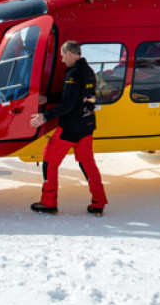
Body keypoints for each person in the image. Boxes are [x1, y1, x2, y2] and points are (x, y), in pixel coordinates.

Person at [29, 40, 107, 216]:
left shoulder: (73, 73)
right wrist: (49, 98)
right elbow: (78, 97)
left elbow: (69, 103)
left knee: (49, 159)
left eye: (63, 55)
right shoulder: (89, 71)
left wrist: (45, 117)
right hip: (87, 124)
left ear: (70, 54)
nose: (62, 59)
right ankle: (99, 202)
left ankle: (48, 202)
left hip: (71, 127)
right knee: (88, 164)